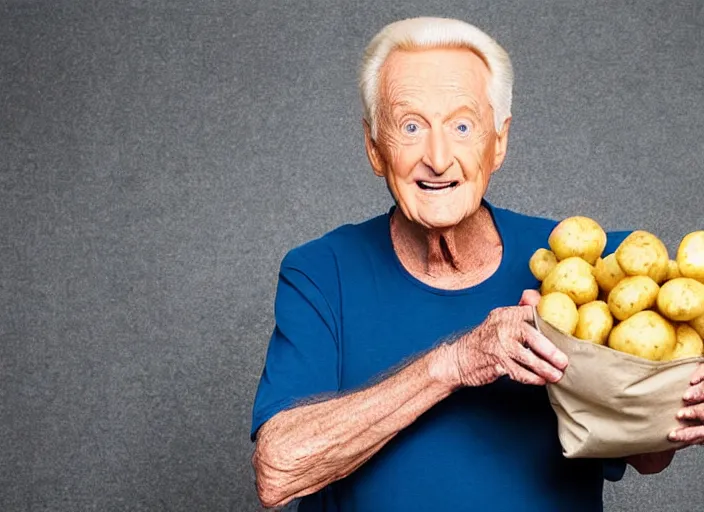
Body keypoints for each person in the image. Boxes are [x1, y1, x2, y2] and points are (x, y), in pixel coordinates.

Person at [250, 16, 704, 511]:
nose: (438, 158)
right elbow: (279, 471)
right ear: (374, 147)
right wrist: (454, 363)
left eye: (462, 126)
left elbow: (648, 457)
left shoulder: (587, 269)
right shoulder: (320, 272)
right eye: (410, 126)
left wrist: (677, 405)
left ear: (498, 141)